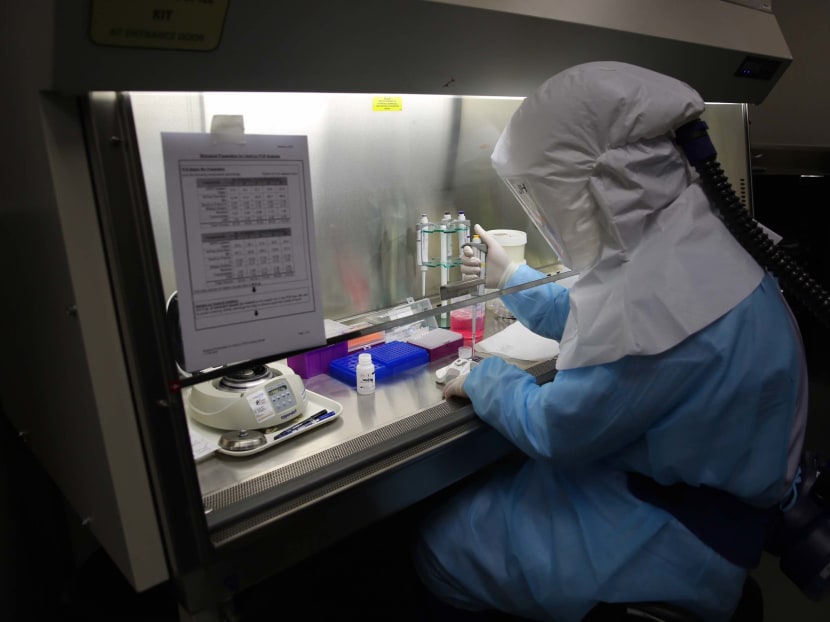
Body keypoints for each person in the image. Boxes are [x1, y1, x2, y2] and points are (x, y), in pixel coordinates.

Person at [413, 61, 808, 621]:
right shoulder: (699, 246)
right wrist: (511, 278)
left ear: (596, 186)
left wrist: (483, 378)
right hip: (700, 514)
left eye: (546, 195)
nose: (545, 214)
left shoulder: (663, 299)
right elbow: (602, 320)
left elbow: (557, 429)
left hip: (663, 541)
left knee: (444, 547)